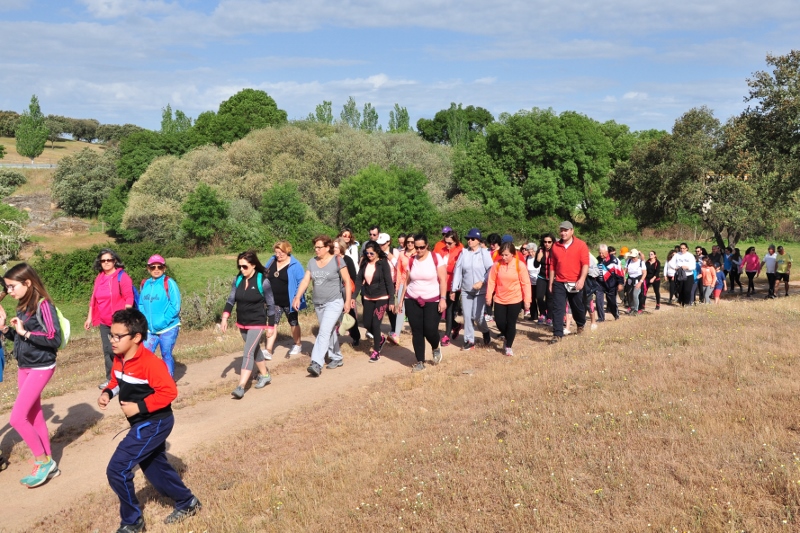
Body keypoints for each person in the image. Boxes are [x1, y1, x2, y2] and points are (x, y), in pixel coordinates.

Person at [98, 309, 201, 533]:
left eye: (118, 336)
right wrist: (108, 393)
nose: (112, 341)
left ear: (136, 337)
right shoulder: (120, 358)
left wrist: (139, 407)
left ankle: (132, 521)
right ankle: (188, 502)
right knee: (155, 467)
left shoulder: (150, 363)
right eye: (111, 335)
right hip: (142, 423)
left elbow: (169, 391)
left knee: (117, 469)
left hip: (154, 422)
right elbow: (116, 380)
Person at [3, 263, 62, 488]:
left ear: (27, 282)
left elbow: (53, 339)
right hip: (24, 366)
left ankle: (41, 460)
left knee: (17, 418)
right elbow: (22, 340)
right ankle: (50, 465)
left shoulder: (44, 305)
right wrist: (8, 331)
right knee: (34, 414)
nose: (9, 291)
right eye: (7, 287)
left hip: (41, 367)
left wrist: (24, 331)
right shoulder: (22, 306)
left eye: (12, 286)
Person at [294, 236, 354, 377]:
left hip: (334, 301)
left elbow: (347, 281)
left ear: (327, 248)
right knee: (329, 331)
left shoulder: (337, 260)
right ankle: (337, 357)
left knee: (324, 331)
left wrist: (347, 301)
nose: (316, 250)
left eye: (319, 247)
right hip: (318, 303)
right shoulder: (312, 262)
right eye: (315, 247)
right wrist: (297, 296)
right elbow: (305, 281)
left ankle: (316, 362)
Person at [220, 251, 276, 399]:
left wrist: (271, 326)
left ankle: (240, 386)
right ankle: (264, 375)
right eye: (240, 267)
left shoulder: (262, 281)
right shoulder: (238, 279)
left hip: (257, 322)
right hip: (242, 322)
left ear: (253, 265)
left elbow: (271, 305)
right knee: (255, 348)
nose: (242, 270)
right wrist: (225, 318)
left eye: (245, 267)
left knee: (248, 352)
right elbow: (231, 299)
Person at [85, 249, 134, 390]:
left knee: (122, 350)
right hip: (104, 321)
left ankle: (129, 378)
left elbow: (129, 297)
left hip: (119, 321)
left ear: (115, 261)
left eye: (109, 260)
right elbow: (93, 299)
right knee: (108, 351)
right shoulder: (99, 278)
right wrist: (89, 318)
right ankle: (112, 380)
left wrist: (126, 316)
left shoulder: (122, 277)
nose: (106, 263)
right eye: (103, 260)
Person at [397, 234, 447, 372]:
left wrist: (443, 299)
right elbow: (406, 282)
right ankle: (420, 361)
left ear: (427, 246)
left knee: (430, 329)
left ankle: (436, 346)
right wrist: (400, 301)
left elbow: (443, 280)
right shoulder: (412, 260)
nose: (418, 250)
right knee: (417, 331)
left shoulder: (436, 259)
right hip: (412, 298)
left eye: (421, 247)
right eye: (416, 247)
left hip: (432, 299)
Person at [139, 255, 181, 377]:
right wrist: (144, 320)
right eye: (153, 267)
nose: (156, 269)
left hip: (168, 328)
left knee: (166, 354)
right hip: (150, 330)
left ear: (164, 268)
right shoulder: (144, 284)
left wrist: (163, 321)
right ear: (148, 269)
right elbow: (141, 304)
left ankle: (168, 384)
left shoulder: (169, 283)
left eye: (160, 267)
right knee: (145, 355)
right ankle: (148, 382)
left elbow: (175, 306)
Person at [452, 228, 494, 350]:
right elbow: (458, 271)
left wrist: (482, 282)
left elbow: (490, 270)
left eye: (472, 239)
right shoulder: (464, 253)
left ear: (478, 240)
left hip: (480, 290)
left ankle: (485, 331)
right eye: (468, 239)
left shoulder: (484, 253)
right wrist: (454, 289)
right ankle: (469, 340)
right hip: (466, 290)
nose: (469, 241)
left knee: (477, 316)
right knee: (467, 315)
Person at [486, 243, 531, 356]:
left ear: (513, 254)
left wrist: (527, 300)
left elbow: (526, 283)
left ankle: (508, 346)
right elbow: (491, 281)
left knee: (511, 323)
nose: (504, 257)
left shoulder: (519, 265)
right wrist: (489, 296)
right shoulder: (497, 265)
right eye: (502, 255)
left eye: (506, 255)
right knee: (500, 322)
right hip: (500, 299)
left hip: (515, 299)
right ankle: (507, 336)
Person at [548, 221, 589, 344]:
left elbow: (585, 265)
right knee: (558, 308)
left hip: (575, 281)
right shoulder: (555, 246)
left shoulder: (581, 245)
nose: (563, 233)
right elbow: (552, 266)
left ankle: (580, 323)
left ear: (572, 231)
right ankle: (557, 334)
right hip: (559, 281)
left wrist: (581, 280)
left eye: (566, 230)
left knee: (577, 307)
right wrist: (551, 283)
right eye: (561, 230)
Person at [264, 241, 305, 359]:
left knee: (293, 322)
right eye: (276, 252)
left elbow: (301, 282)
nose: (278, 255)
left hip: (289, 300)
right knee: (272, 323)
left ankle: (297, 344)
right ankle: (268, 350)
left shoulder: (295, 265)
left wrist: (297, 297)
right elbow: (264, 275)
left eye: (281, 252)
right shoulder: (271, 261)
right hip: (273, 301)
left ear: (287, 251)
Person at [358, 241, 395, 362]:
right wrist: (353, 296)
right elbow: (359, 280)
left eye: (371, 253)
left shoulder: (383, 263)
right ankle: (381, 339)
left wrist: (391, 300)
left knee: (376, 324)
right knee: (367, 324)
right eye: (367, 253)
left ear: (377, 252)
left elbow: (389, 282)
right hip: (368, 296)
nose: (369, 255)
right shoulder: (364, 263)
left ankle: (376, 351)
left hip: (382, 297)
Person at [333, 237, 361, 346]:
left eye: (335, 247)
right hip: (334, 291)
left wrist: (352, 297)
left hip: (346, 291)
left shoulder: (347, 260)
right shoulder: (330, 259)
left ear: (341, 248)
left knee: (349, 314)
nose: (333, 249)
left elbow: (353, 278)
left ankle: (355, 336)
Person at [439, 229, 464, 347]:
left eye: (450, 243)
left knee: (449, 309)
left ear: (456, 242)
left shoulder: (460, 251)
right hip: (441, 283)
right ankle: (455, 325)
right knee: (441, 309)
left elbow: (458, 269)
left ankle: (446, 335)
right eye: (446, 242)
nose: (447, 245)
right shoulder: (442, 250)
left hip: (454, 284)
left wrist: (446, 267)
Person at [392, 233, 416, 342]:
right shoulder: (402, 254)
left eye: (412, 242)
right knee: (401, 308)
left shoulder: (419, 253)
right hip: (402, 282)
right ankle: (396, 334)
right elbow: (399, 271)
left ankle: (417, 330)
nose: (410, 244)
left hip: (416, 283)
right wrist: (397, 287)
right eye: (408, 242)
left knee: (414, 308)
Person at [534, 234, 555, 325]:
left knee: (550, 298)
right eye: (545, 242)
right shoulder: (540, 250)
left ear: (552, 242)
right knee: (539, 297)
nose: (547, 244)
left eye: (549, 242)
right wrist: (538, 258)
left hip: (552, 278)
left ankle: (549, 317)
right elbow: (536, 265)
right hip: (541, 277)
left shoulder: (555, 251)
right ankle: (543, 313)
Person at [669, 243, 696, 307]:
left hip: (688, 275)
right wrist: (675, 267)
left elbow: (693, 266)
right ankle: (682, 302)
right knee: (680, 289)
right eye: (681, 248)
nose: (682, 249)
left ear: (687, 248)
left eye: (683, 248)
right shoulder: (677, 255)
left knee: (687, 290)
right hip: (680, 275)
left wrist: (687, 267)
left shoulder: (690, 255)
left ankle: (687, 303)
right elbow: (670, 263)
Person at [624, 249, 646, 315]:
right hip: (630, 280)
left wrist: (640, 282)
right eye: (632, 257)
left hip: (638, 279)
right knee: (630, 295)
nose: (633, 258)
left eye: (634, 257)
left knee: (635, 295)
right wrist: (624, 278)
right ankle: (632, 307)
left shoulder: (641, 262)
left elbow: (644, 273)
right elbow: (625, 270)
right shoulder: (628, 261)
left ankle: (636, 309)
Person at [523, 242, 540, 320]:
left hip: (539, 281)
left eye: (532, 251)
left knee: (539, 298)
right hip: (530, 282)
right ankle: (534, 316)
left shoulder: (538, 258)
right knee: (531, 299)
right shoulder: (527, 258)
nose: (530, 253)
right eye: (529, 252)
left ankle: (544, 314)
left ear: (535, 250)